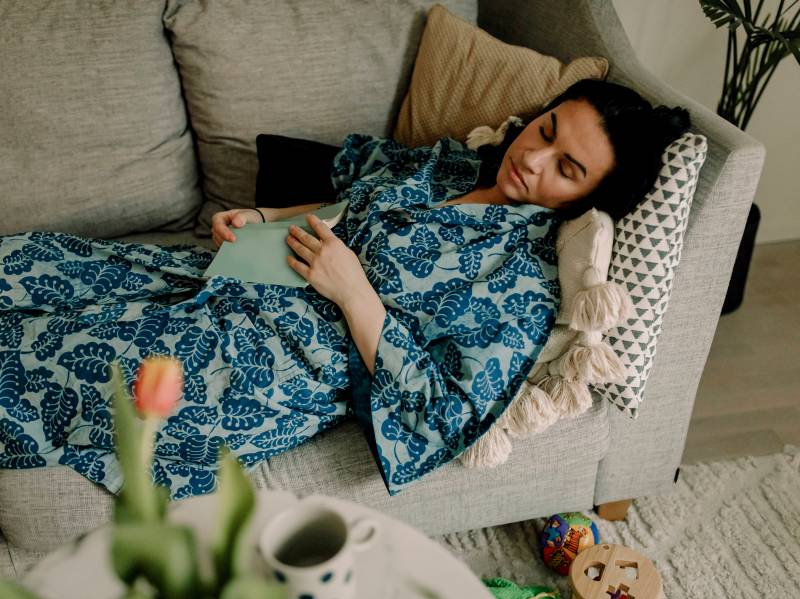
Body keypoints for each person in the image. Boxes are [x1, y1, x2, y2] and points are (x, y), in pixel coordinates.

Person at [0, 79, 690, 499]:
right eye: (545, 131)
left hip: (272, 362)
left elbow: (443, 412)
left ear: (589, 198)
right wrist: (262, 219)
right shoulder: (452, 165)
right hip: (239, 278)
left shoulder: (521, 283)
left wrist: (355, 292)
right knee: (40, 262)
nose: (532, 160)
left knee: (65, 359)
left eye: (565, 168)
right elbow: (346, 202)